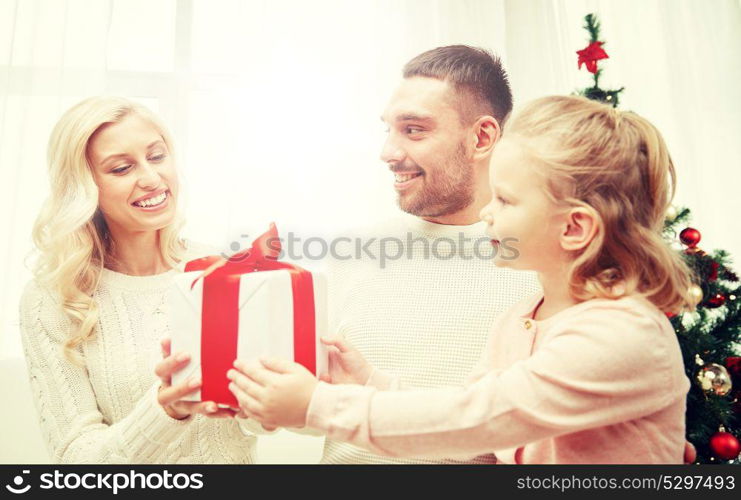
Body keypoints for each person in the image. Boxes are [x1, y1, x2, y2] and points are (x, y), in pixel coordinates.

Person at [227, 95, 694, 463]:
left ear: (574, 228)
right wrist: (369, 385)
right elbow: (473, 421)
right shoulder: (520, 320)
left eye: (506, 201)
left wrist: (317, 405)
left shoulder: (622, 334)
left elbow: (479, 418)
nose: (487, 213)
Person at [258, 46, 540, 463]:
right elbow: (308, 409)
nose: (388, 152)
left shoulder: (539, 269)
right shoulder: (350, 254)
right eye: (388, 130)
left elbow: (527, 436)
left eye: (414, 130)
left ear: (481, 137)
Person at [19, 97, 263, 463]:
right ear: (84, 187)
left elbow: (262, 422)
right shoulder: (55, 298)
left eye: (157, 156)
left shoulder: (222, 271)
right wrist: (166, 410)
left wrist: (269, 397)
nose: (151, 179)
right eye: (121, 168)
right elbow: (76, 461)